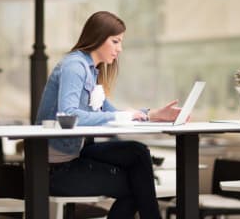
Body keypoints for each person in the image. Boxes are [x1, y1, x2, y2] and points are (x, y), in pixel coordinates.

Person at [36, 11, 181, 219]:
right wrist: (123, 117)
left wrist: (153, 114)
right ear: (98, 37)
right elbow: (67, 114)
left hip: (77, 155)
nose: (119, 49)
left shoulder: (90, 70)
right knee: (137, 184)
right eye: (115, 41)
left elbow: (112, 112)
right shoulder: (74, 66)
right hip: (56, 169)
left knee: (138, 152)